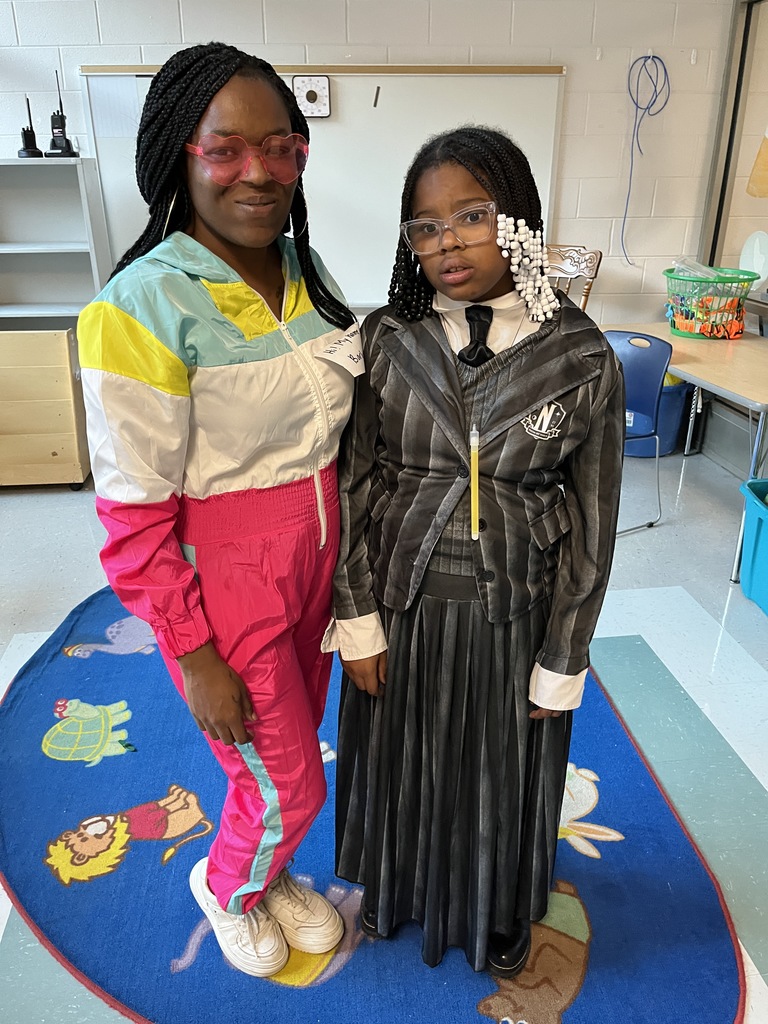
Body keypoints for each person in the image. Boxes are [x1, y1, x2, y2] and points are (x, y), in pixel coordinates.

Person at [77, 42, 361, 978]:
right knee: (289, 780)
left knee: (284, 758)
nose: (259, 171)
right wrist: (193, 653)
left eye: (280, 146)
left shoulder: (306, 270)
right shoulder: (140, 307)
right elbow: (132, 519)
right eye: (227, 148)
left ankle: (266, 871)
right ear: (180, 155)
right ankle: (227, 884)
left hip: (317, 565)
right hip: (227, 586)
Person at [331, 126, 624, 976]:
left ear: (518, 219)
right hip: (402, 603)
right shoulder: (387, 339)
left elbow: (596, 518)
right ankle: (398, 888)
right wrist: (357, 617)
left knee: (499, 772)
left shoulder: (580, 354)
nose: (448, 243)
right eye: (425, 227)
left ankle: (496, 905)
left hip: (514, 611)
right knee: (403, 759)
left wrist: (564, 654)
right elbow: (351, 486)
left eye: (472, 216)